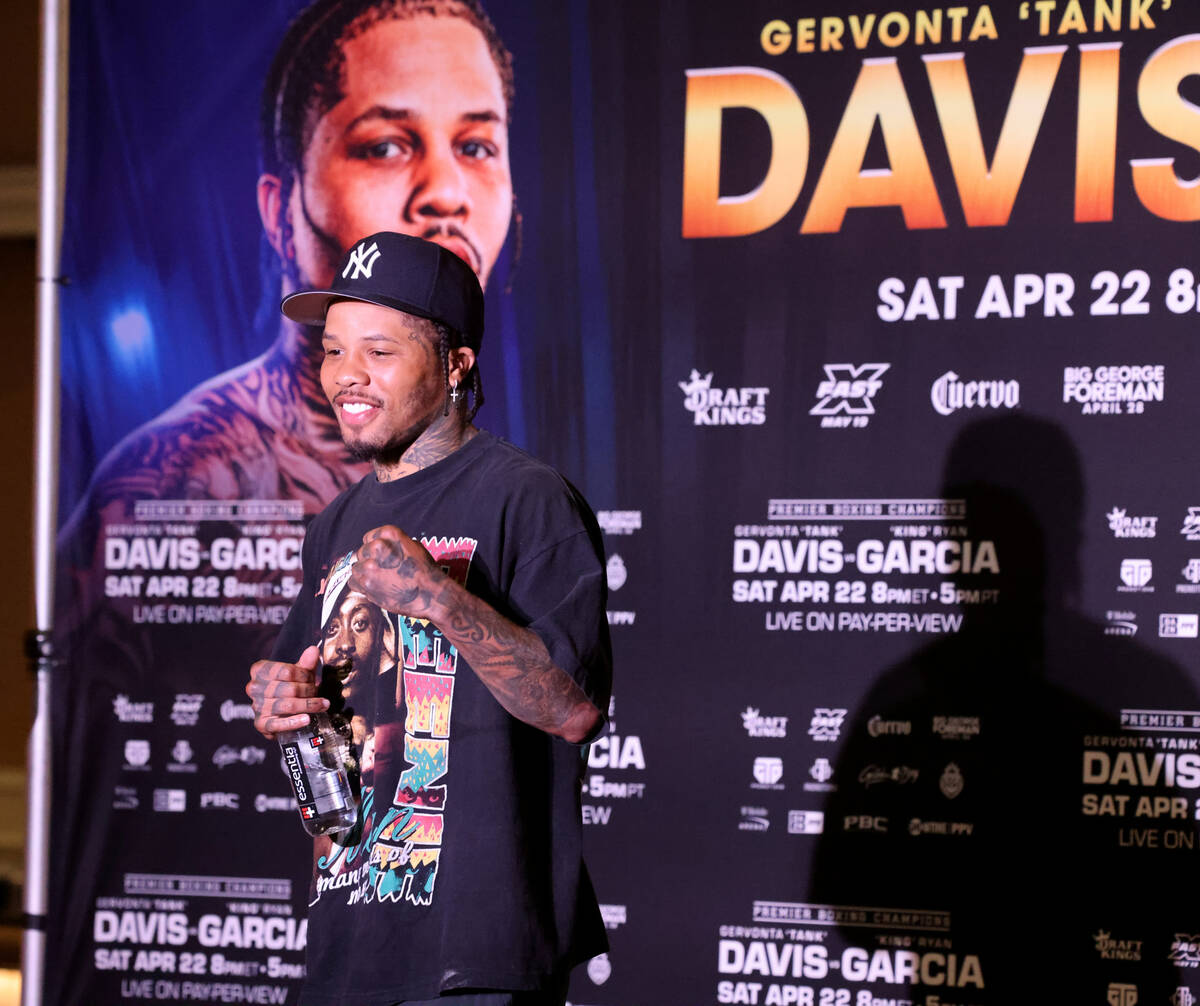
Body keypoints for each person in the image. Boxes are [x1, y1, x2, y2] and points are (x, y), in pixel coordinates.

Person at [57, 0, 516, 620]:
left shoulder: (521, 489)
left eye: (477, 146)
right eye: (383, 146)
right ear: (279, 211)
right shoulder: (171, 478)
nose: (446, 193)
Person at [246, 231, 612, 1005]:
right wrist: (292, 718)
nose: (347, 376)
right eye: (335, 350)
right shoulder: (335, 525)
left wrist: (436, 597)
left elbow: (572, 709)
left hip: (477, 959)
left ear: (455, 366)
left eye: (379, 352)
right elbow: (332, 784)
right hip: (350, 947)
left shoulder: (527, 499)